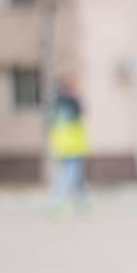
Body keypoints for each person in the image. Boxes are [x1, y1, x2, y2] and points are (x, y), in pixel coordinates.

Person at [48, 77, 90, 216]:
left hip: (65, 145)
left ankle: (82, 201)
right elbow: (82, 113)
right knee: (69, 175)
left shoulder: (57, 103)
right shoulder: (71, 102)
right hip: (72, 145)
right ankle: (57, 201)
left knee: (77, 176)